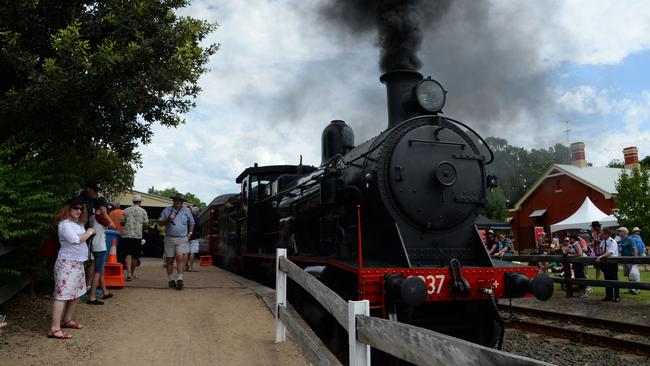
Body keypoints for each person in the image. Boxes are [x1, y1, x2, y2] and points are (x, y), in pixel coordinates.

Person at [49, 198, 95, 339]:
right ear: (68, 209)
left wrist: (87, 232)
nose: (79, 211)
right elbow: (75, 239)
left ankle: (67, 319)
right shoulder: (65, 224)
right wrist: (89, 232)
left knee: (76, 294)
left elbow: (80, 238)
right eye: (75, 208)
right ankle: (54, 328)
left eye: (81, 208)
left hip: (77, 263)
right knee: (62, 295)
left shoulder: (78, 224)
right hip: (67, 263)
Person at [159, 193, 194, 290]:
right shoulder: (167, 210)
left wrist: (190, 233)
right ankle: (171, 280)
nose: (177, 202)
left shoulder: (187, 210)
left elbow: (192, 222)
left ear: (182, 202)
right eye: (176, 200)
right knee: (169, 260)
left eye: (179, 200)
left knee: (180, 257)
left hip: (182, 238)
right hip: (169, 238)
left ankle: (180, 279)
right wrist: (167, 220)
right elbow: (160, 223)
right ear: (173, 201)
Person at [87, 198, 114, 305]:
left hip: (94, 245)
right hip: (100, 246)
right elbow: (113, 225)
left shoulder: (92, 217)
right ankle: (92, 297)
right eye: (105, 206)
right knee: (98, 272)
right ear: (101, 207)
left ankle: (105, 292)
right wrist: (105, 214)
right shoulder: (100, 217)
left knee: (100, 269)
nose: (106, 208)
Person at [122, 194, 149, 281]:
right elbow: (146, 224)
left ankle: (128, 273)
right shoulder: (143, 211)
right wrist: (141, 227)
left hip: (127, 235)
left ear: (133, 201)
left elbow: (122, 222)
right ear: (140, 202)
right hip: (137, 236)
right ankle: (132, 273)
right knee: (135, 256)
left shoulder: (126, 210)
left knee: (128, 254)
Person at [596, 228, 620, 302]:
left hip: (612, 263)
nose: (602, 235)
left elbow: (610, 252)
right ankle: (608, 296)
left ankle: (617, 296)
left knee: (614, 279)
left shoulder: (613, 242)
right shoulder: (603, 242)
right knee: (607, 279)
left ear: (608, 234)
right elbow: (601, 250)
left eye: (603, 234)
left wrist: (601, 256)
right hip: (605, 263)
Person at [186, 206, 201, 272]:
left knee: (186, 252)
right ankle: (191, 267)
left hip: (186, 236)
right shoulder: (196, 218)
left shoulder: (187, 217)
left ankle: (185, 267)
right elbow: (199, 227)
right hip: (194, 237)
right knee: (192, 252)